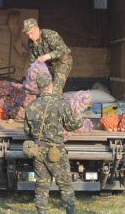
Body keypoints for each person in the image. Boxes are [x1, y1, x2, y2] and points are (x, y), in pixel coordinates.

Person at [24, 73, 83, 214]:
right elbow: (71, 125)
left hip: (38, 151)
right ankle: (70, 211)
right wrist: (80, 119)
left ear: (38, 87)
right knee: (65, 185)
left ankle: (41, 212)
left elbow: (27, 132)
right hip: (56, 152)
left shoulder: (31, 106)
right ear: (51, 85)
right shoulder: (61, 103)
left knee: (41, 186)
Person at [22, 18, 73, 95]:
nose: (30, 36)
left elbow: (63, 50)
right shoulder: (31, 43)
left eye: (31, 33)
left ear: (37, 29)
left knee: (56, 89)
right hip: (49, 66)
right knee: (45, 87)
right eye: (27, 34)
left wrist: (47, 56)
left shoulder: (50, 35)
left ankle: (57, 105)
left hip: (62, 62)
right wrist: (32, 74)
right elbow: (33, 60)